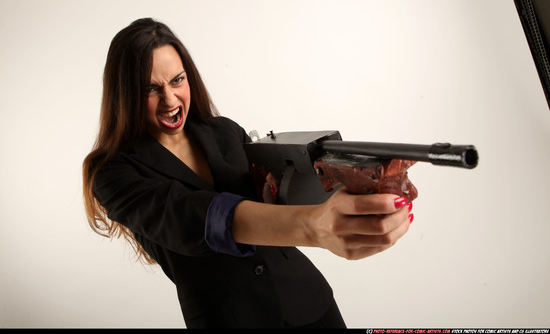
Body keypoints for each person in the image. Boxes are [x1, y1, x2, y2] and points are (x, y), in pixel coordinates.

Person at [82, 18, 414, 329]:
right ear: (124, 95)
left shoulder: (225, 131)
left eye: (177, 80)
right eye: (149, 89)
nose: (170, 99)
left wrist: (350, 185)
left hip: (306, 300)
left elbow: (277, 199)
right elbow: (190, 218)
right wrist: (313, 227)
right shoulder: (111, 172)